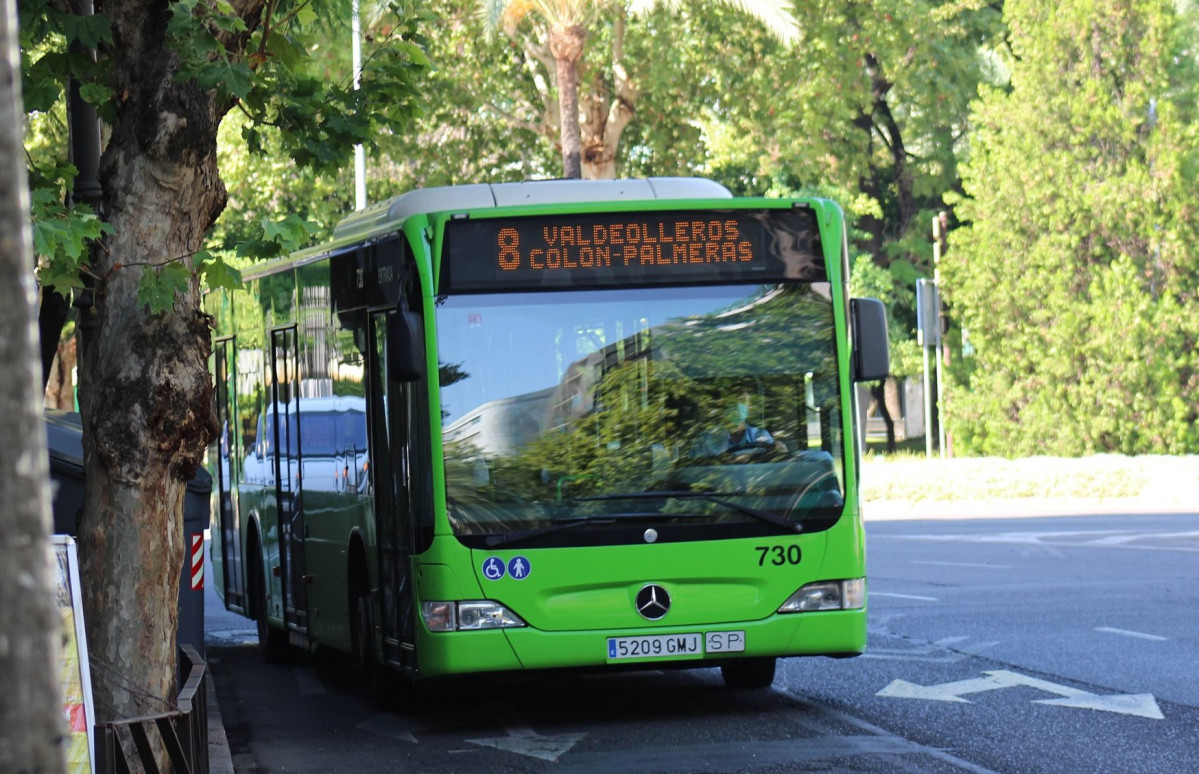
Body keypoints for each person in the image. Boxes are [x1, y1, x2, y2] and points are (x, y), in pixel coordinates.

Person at [691, 401, 781, 458]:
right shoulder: (704, 439)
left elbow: (773, 460)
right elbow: (694, 467)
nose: (736, 408)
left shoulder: (761, 435)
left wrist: (779, 449)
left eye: (741, 401)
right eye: (731, 403)